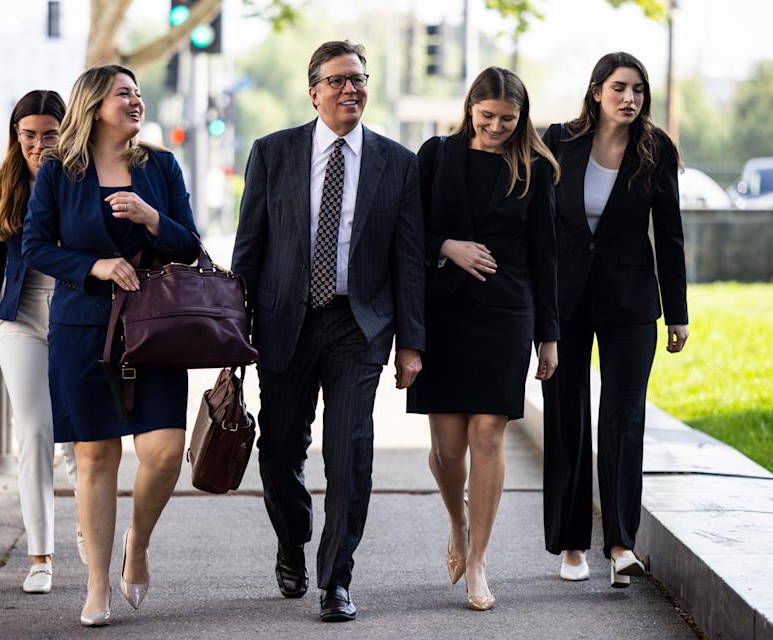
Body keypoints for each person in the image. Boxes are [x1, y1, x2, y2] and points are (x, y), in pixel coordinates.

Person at [232, 40, 425, 622]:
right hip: (283, 322)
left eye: (359, 79)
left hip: (358, 326)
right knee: (278, 450)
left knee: (350, 455)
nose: (350, 89)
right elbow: (249, 248)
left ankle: (336, 579)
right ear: (313, 91)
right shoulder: (273, 153)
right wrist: (234, 331)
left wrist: (412, 344)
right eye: (338, 80)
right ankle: (292, 540)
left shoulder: (398, 163)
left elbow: (408, 260)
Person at [22, 65, 199, 626]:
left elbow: (191, 246)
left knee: (165, 450)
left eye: (138, 93)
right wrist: (93, 265)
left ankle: (137, 542)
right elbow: (34, 247)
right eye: (124, 93)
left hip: (155, 327)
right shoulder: (60, 171)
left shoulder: (161, 166)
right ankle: (97, 583)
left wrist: (152, 219)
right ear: (95, 105)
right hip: (83, 329)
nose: (136, 101)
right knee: (96, 456)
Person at [406, 67, 560, 610]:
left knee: (488, 435)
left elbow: (545, 253)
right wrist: (447, 246)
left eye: (507, 119)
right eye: (487, 116)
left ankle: (478, 562)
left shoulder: (535, 170)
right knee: (447, 450)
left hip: (506, 313)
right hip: (444, 314)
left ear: (522, 117)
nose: (496, 127)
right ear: (470, 107)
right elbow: (409, 229)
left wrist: (548, 336)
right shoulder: (436, 155)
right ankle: (458, 521)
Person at [541, 52, 689, 588]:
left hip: (630, 302)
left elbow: (668, 233)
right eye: (620, 88)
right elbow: (539, 223)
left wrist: (678, 314)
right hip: (566, 300)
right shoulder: (559, 141)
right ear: (597, 91)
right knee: (567, 415)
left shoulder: (655, 149)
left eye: (638, 90)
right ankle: (572, 544)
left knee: (624, 418)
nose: (630, 98)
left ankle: (622, 544)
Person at [0, 90, 81, 595]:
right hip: (21, 320)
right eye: (28, 135)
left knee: (80, 438)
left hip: (76, 318)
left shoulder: (81, 178)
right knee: (34, 433)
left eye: (49, 135)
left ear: (65, 134)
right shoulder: (2, 185)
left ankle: (90, 532)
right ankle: (40, 556)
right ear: (16, 135)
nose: (38, 145)